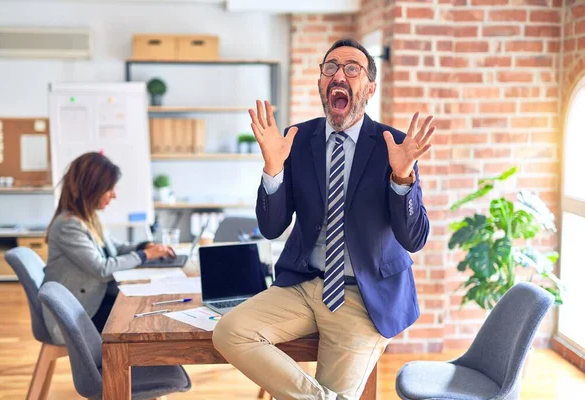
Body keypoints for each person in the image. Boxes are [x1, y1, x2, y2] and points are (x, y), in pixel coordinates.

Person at [212, 38, 434, 399]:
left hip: (365, 294)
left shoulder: (394, 145)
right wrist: (272, 168)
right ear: (320, 83)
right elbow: (271, 228)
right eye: (330, 67)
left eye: (352, 68)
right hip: (303, 285)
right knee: (230, 331)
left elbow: (415, 239)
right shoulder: (297, 140)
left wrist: (402, 177)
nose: (338, 75)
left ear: (370, 88)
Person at [42, 151, 175, 343]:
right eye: (109, 189)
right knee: (142, 319)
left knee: (147, 309)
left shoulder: (89, 217)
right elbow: (102, 269)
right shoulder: (68, 225)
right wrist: (145, 255)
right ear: (91, 189)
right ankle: (135, 368)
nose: (114, 195)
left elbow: (114, 248)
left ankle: (150, 368)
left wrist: (143, 246)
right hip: (76, 315)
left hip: (92, 302)